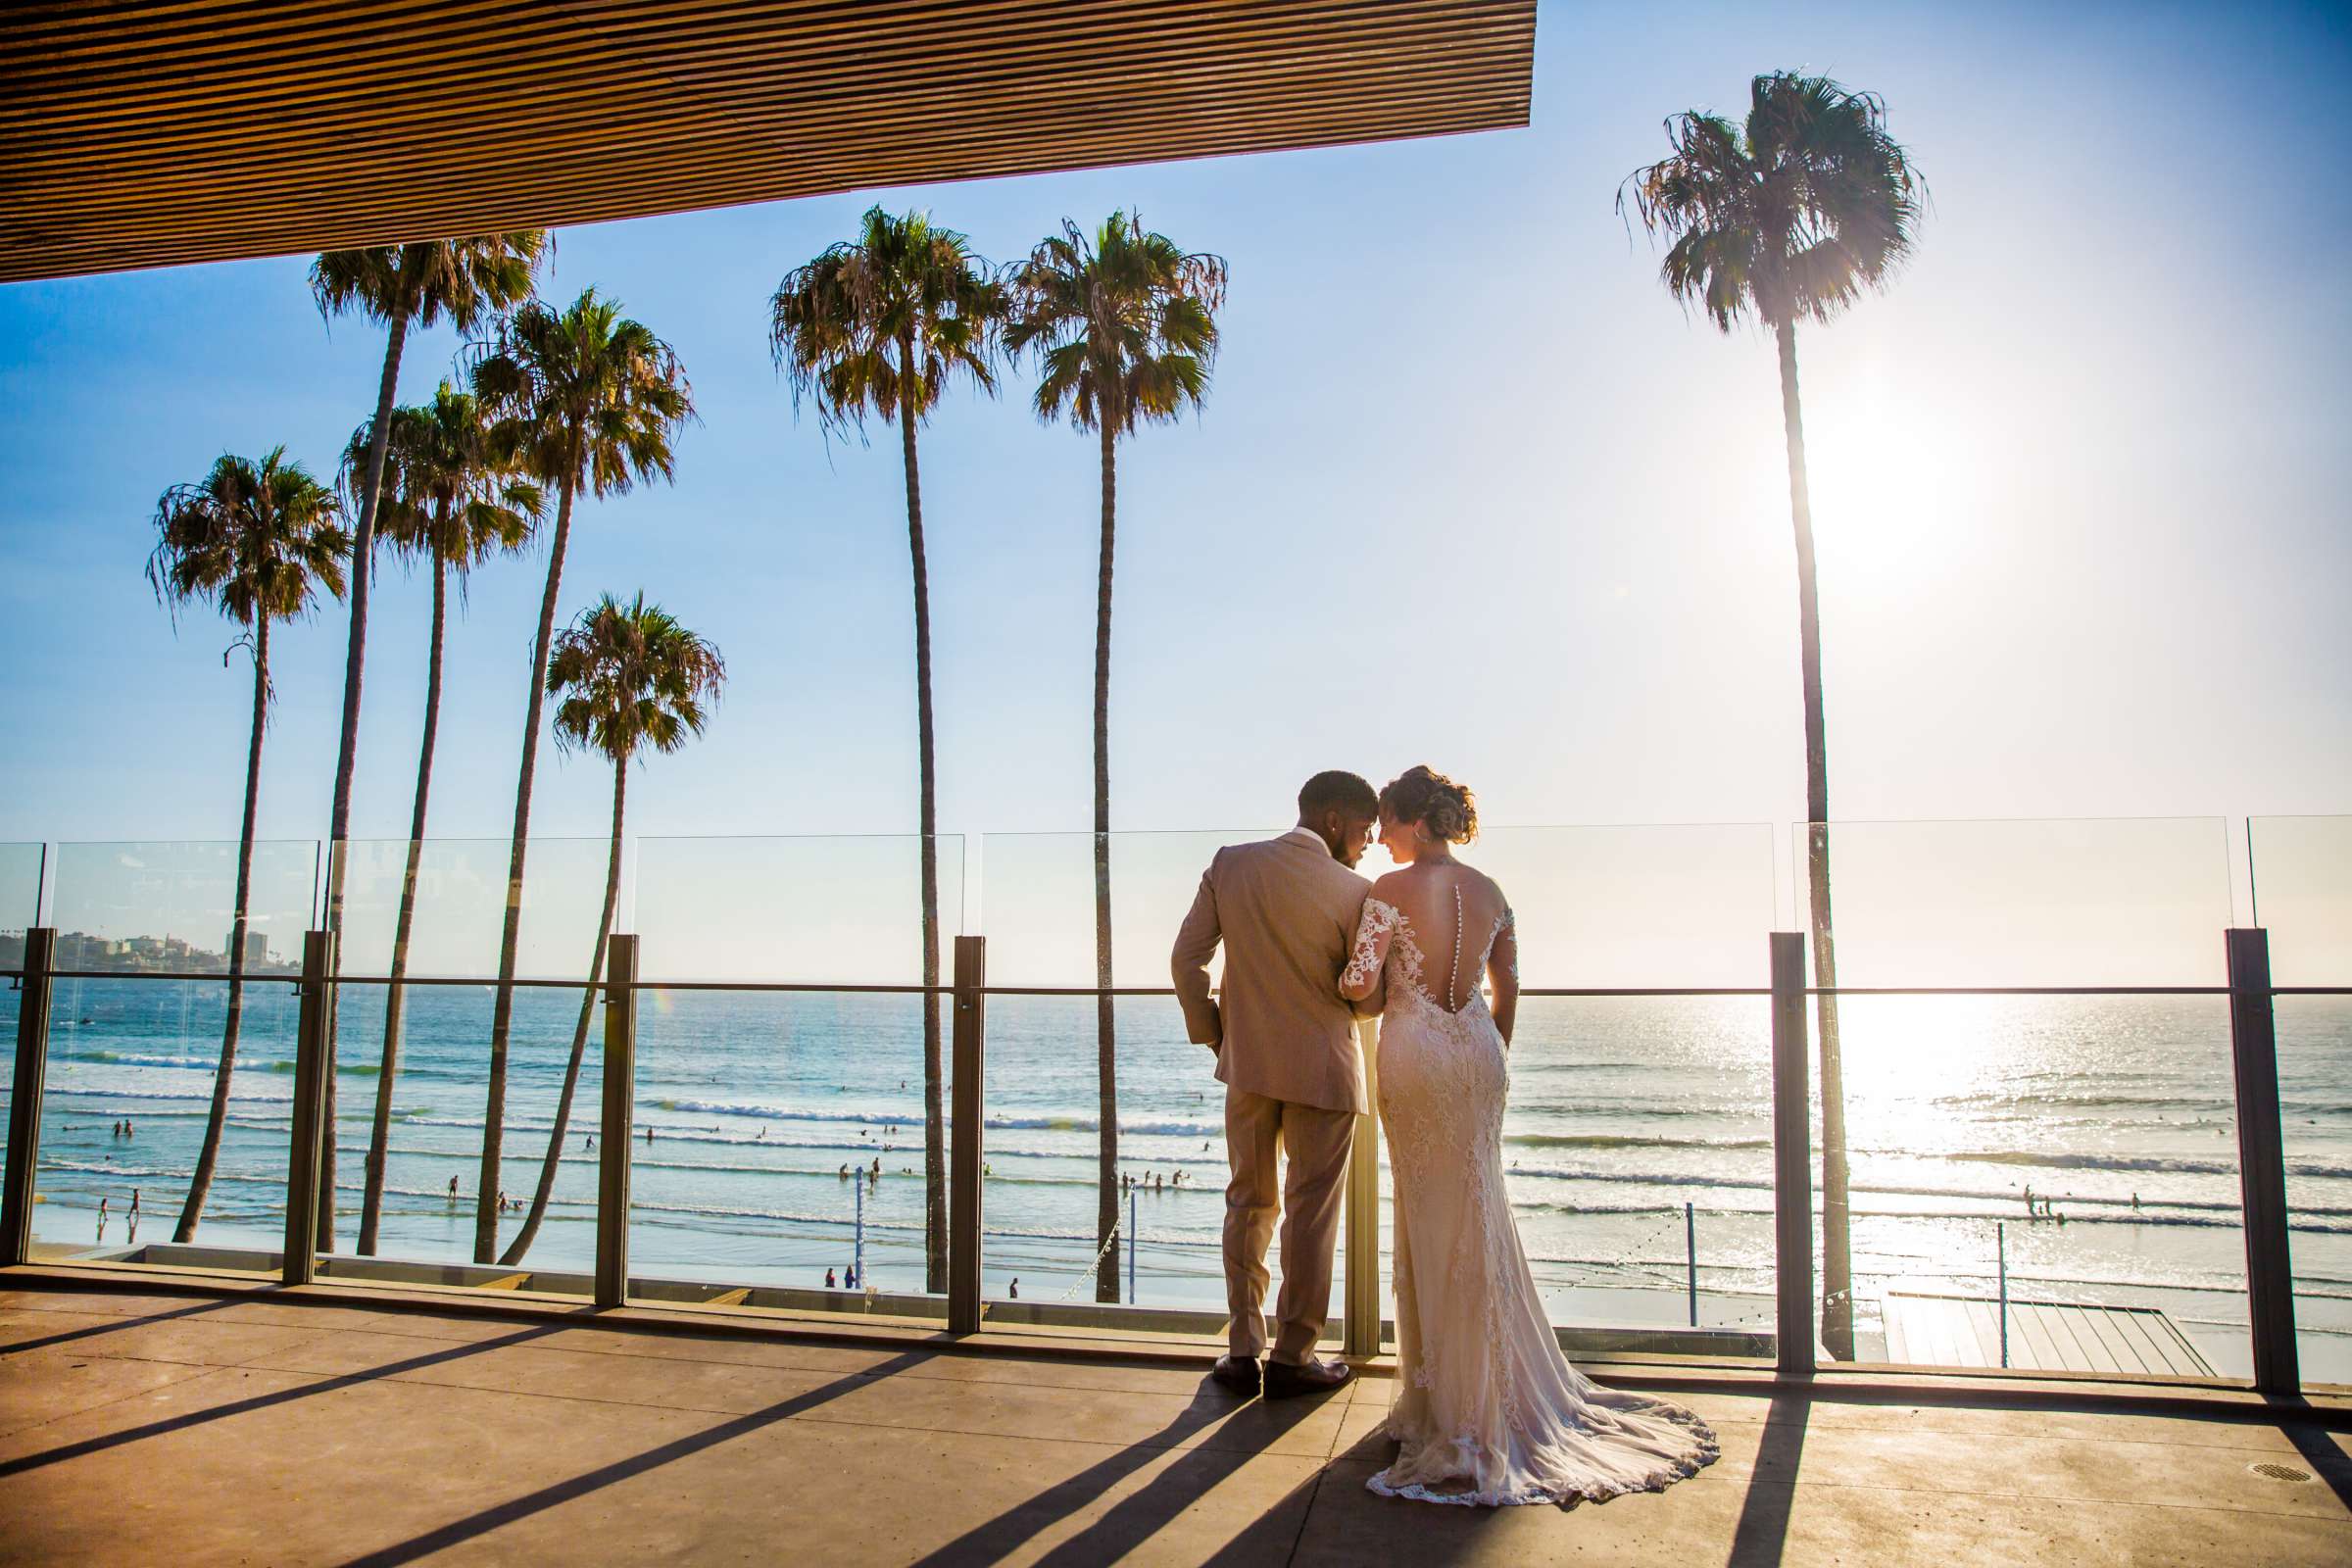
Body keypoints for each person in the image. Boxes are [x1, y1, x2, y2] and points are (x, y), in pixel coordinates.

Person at [1338, 766, 1716, 1506]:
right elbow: (1506, 987)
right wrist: (1489, 1049)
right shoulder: (1493, 894)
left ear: (1415, 821)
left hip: (1413, 1053)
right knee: (1478, 1211)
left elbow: (1358, 984)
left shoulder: (1385, 894)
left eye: (1385, 820)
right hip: (1478, 1054)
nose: (1379, 836)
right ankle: (1477, 1395)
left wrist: (1369, 987)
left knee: (1429, 1217)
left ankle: (1446, 1408)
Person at [1172, 769, 1383, 1402]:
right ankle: (1293, 1357)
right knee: (1311, 1218)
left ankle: (1241, 1350)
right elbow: (1366, 1000)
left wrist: (1215, 1034)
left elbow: (1186, 960)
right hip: (1324, 1073)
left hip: (1250, 1068)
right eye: (1366, 830)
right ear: (1337, 822)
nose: (1369, 844)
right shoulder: (1356, 891)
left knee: (1249, 1203)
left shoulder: (1231, 865)